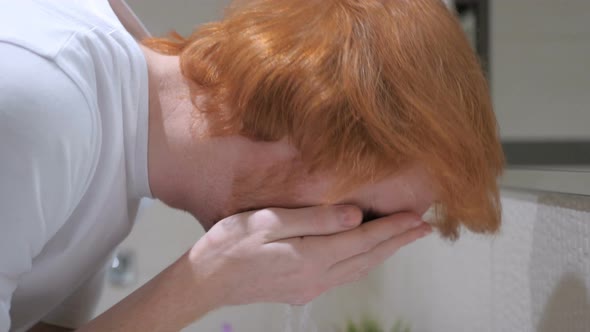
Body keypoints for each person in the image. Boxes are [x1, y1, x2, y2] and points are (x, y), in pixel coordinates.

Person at [0, 0, 504, 330]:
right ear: (312, 122)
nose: (350, 251)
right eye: (365, 218)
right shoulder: (43, 99)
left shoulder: (115, 137)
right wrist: (201, 285)